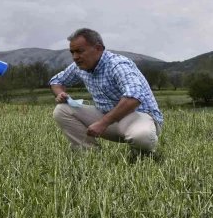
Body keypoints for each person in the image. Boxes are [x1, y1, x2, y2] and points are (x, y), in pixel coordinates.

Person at [49, 28, 164, 162]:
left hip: (138, 116)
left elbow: (134, 98)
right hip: (109, 118)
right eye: (72, 52)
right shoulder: (80, 66)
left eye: (79, 51)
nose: (75, 57)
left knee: (141, 136)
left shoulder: (118, 64)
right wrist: (61, 93)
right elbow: (56, 81)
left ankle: (143, 157)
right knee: (62, 110)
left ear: (98, 48)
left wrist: (102, 123)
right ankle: (90, 157)